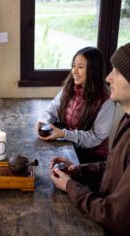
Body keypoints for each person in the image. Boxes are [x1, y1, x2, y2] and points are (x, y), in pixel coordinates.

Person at [50, 43, 130, 236]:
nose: (109, 78)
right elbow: (113, 168)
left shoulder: (106, 103)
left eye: (117, 72)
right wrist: (78, 170)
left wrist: (70, 186)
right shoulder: (127, 120)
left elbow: (112, 215)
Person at [37, 47, 115, 163]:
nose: (74, 71)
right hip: (70, 147)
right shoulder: (70, 87)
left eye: (80, 67)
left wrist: (64, 134)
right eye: (74, 66)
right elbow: (52, 109)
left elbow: (95, 138)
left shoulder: (107, 100)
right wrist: (43, 122)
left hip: (92, 158)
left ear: (93, 70)